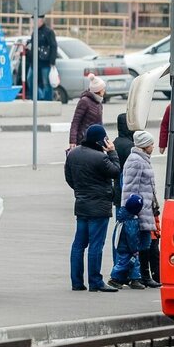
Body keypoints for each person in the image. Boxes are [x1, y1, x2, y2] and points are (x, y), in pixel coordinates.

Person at [64, 124, 121, 293]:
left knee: (79, 244)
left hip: (81, 203)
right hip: (99, 207)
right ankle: (95, 281)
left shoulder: (73, 154)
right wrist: (112, 152)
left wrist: (80, 191)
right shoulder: (100, 158)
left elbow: (69, 178)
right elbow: (116, 171)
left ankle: (77, 282)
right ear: (100, 140)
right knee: (96, 244)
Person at [111, 131, 162, 289]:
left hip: (146, 210)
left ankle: (138, 277)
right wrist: (133, 211)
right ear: (144, 145)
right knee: (134, 246)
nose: (153, 146)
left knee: (143, 245)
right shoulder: (135, 161)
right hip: (138, 212)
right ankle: (122, 277)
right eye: (151, 143)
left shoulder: (143, 159)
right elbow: (130, 189)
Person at [68, 76, 106, 149]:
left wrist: (105, 139)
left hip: (97, 141)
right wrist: (72, 141)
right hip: (84, 140)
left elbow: (100, 124)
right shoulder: (84, 101)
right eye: (103, 89)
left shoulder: (99, 102)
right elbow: (75, 122)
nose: (104, 90)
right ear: (98, 90)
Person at [31, 16, 58, 101]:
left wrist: (52, 61)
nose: (33, 22)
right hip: (35, 63)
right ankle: (38, 97)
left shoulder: (48, 32)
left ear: (41, 21)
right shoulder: (35, 32)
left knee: (46, 82)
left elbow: (53, 46)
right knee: (30, 79)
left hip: (45, 63)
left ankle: (47, 99)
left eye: (35, 20)